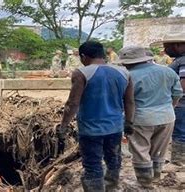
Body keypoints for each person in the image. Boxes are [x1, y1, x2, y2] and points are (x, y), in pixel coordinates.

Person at [58, 41, 135, 191]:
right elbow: (130, 101)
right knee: (113, 161)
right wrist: (129, 123)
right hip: (115, 127)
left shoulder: (81, 73)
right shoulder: (124, 73)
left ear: (83, 56)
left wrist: (63, 126)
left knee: (93, 165)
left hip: (90, 130)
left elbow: (72, 103)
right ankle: (111, 188)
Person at [116, 46, 182, 188]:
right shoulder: (168, 71)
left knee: (140, 150)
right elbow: (177, 94)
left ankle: (145, 183)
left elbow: (126, 101)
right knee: (159, 150)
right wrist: (169, 107)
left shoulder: (127, 76)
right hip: (167, 116)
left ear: (128, 62)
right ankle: (156, 177)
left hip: (140, 118)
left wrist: (126, 121)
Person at [152, 32, 185, 166]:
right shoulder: (179, 60)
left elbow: (183, 84)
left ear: (177, 45)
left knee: (180, 132)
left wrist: (173, 100)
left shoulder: (183, 61)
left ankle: (179, 161)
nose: (165, 50)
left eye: (167, 46)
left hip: (181, 103)